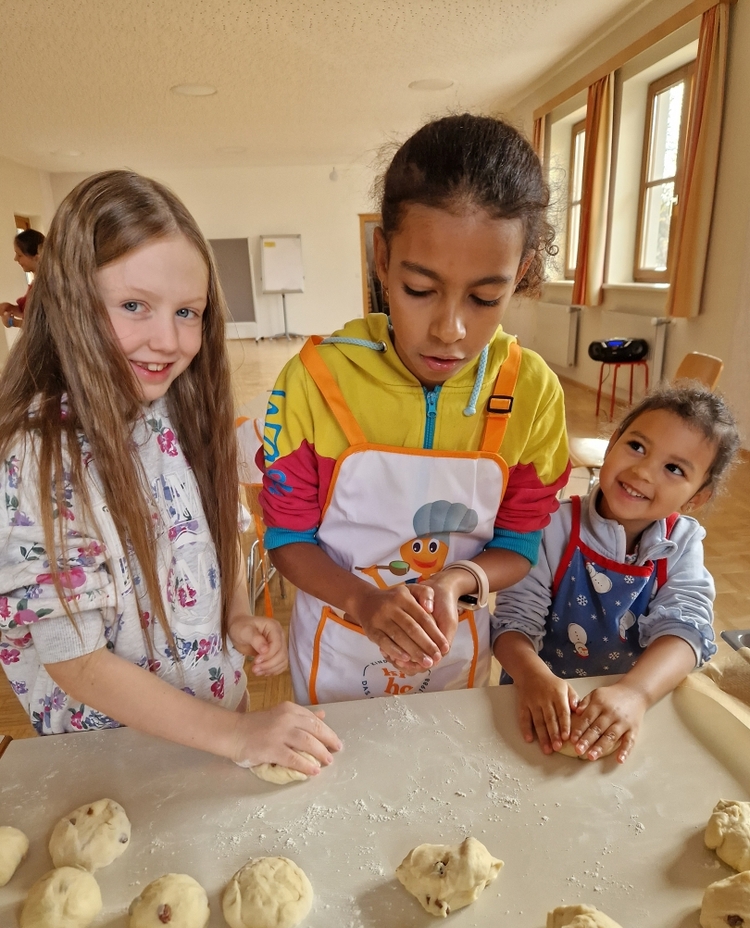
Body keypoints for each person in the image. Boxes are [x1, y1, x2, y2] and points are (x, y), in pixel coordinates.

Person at [0, 170, 340, 776]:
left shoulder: (174, 410)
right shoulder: (36, 454)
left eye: (187, 312)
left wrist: (235, 614)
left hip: (213, 731)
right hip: (119, 760)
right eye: (134, 306)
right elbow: (76, 662)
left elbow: (217, 531)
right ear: (70, 301)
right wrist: (238, 735)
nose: (167, 340)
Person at [259, 114, 571, 706]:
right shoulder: (317, 379)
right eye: (420, 290)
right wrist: (363, 600)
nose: (449, 330)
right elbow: (287, 536)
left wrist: (459, 580)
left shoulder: (531, 392)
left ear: (522, 273)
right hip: (337, 652)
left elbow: (519, 544)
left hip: (455, 658)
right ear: (382, 257)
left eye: (485, 297)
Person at [492, 383, 740, 763]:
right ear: (612, 445)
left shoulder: (682, 542)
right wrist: (531, 677)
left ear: (696, 498)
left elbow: (686, 631)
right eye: (637, 446)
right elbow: (512, 625)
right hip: (536, 697)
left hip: (628, 703)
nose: (642, 471)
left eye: (674, 469)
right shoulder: (552, 527)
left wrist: (636, 693)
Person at [1, 228, 45, 328]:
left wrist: (12, 322)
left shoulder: (46, 287)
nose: (15, 259)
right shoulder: (35, 285)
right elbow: (28, 313)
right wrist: (12, 308)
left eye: (19, 255)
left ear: (36, 257)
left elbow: (40, 326)